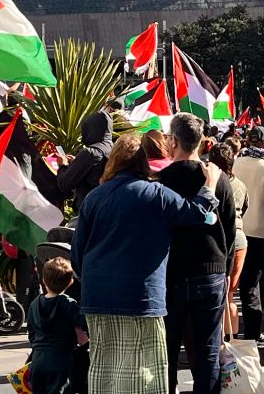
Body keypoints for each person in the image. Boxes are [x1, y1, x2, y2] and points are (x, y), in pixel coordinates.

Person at [70, 134, 222, 394]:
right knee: (145, 372)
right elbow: (197, 212)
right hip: (141, 297)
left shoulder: (94, 198)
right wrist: (209, 186)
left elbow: (77, 255)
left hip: (97, 296)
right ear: (143, 162)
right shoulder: (156, 194)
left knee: (104, 368)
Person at [159, 114, 236, 394]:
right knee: (207, 352)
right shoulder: (217, 178)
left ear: (174, 140)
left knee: (166, 351)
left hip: (172, 272)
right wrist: (225, 270)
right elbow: (229, 229)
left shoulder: (161, 181)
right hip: (211, 271)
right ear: (202, 142)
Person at [232, 125, 264, 346]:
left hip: (238, 230)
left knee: (239, 284)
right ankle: (253, 331)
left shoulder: (236, 162)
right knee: (254, 284)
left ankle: (238, 329)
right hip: (262, 234)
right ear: (263, 143)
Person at [208, 142, 248, 343]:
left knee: (221, 295)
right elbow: (245, 207)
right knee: (231, 294)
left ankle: (221, 339)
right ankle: (232, 339)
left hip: (219, 239)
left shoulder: (211, 184)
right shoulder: (239, 184)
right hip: (240, 239)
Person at [27, 257, 84, 394]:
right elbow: (85, 322)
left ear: (44, 280)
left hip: (37, 359)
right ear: (70, 282)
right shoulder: (68, 303)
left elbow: (31, 333)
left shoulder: (34, 304)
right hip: (61, 359)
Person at [56, 110, 114, 210]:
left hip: (87, 210)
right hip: (106, 208)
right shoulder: (114, 150)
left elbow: (65, 184)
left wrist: (63, 165)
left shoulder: (90, 152)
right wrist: (77, 162)